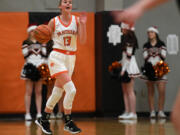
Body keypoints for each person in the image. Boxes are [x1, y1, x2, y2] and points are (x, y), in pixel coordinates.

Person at [35, 0, 87, 134]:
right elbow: (45, 36)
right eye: (65, 1)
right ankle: (68, 121)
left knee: (57, 92)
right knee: (71, 90)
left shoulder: (76, 20)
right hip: (57, 57)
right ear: (60, 6)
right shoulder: (54, 21)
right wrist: (41, 35)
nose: (68, 3)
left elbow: (82, 40)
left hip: (71, 58)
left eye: (70, 1)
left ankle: (44, 119)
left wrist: (83, 24)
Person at [21, 25, 47, 120]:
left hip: (39, 68)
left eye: (35, 31)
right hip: (29, 67)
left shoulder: (42, 42)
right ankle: (27, 113)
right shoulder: (25, 42)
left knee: (38, 92)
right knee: (28, 92)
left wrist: (42, 45)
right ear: (29, 32)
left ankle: (39, 113)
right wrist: (33, 48)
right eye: (31, 31)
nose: (33, 33)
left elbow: (44, 54)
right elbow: (25, 55)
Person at [142, 26, 167, 118]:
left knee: (161, 91)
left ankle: (160, 111)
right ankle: (152, 111)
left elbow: (163, 57)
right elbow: (146, 57)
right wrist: (156, 54)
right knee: (150, 92)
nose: (150, 34)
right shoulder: (146, 45)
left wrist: (153, 54)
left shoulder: (162, 44)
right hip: (149, 69)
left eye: (152, 32)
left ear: (156, 33)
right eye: (148, 32)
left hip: (160, 67)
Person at [118, 22, 140, 120]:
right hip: (124, 65)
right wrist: (119, 64)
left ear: (126, 29)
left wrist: (123, 70)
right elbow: (124, 57)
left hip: (130, 66)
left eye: (122, 28)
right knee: (125, 91)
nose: (121, 29)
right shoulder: (125, 39)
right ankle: (127, 111)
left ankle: (133, 113)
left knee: (130, 91)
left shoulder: (130, 40)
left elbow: (128, 57)